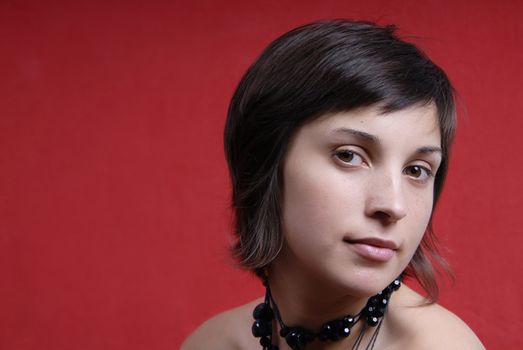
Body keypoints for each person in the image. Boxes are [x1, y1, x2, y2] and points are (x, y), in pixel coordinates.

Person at [182, 20, 485, 349]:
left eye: (416, 170)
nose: (393, 206)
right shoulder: (210, 343)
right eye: (350, 156)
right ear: (267, 161)